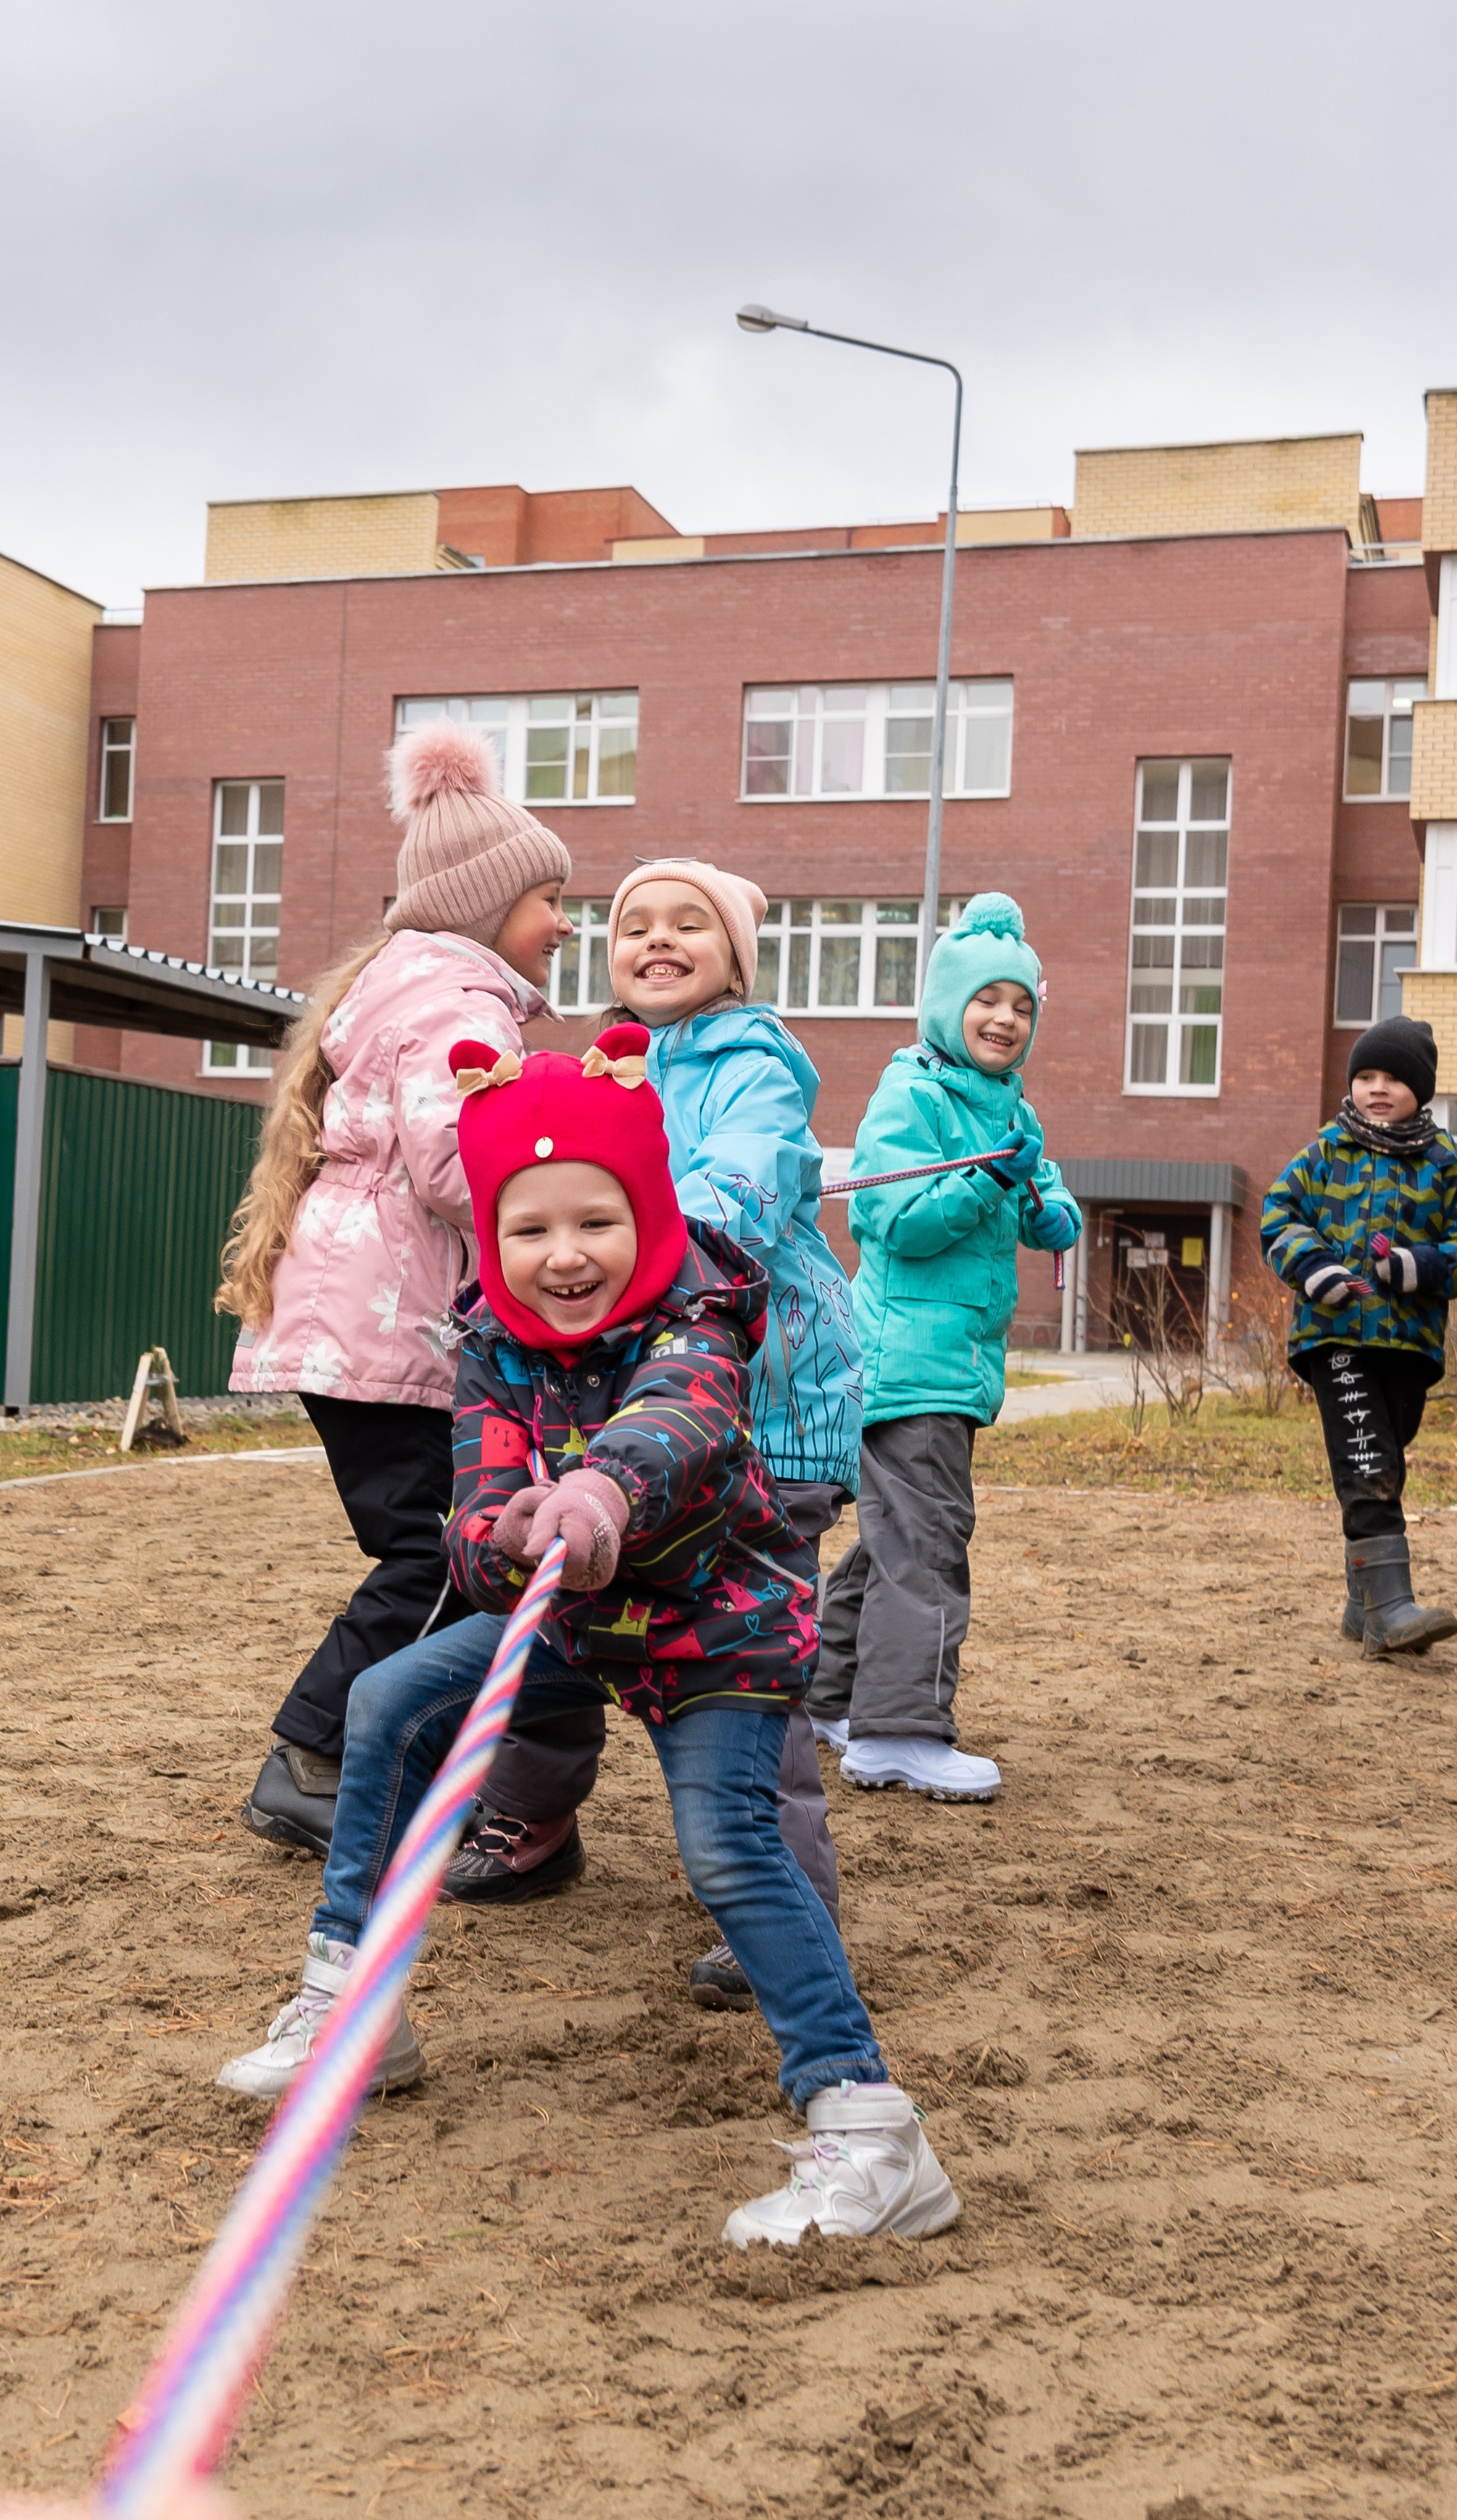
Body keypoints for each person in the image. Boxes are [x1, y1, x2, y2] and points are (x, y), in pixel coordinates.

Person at [215, 1026, 960, 2248]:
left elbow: (677, 1424)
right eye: (530, 1228)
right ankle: (356, 2010)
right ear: (492, 1236)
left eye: (596, 1220)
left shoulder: (696, 1320)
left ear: (648, 1212)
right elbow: (471, 1511)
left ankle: (873, 2131)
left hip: (716, 1629)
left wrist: (602, 1492)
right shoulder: (493, 1349)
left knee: (727, 1846)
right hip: (578, 1620)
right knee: (391, 1699)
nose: (564, 1254)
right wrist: (504, 1532)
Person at [221, 719, 602, 1882]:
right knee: (441, 1556)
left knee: (430, 1549)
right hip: (387, 1325)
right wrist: (576, 1184)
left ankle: (364, 1758)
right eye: (549, 898)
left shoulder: (414, 987)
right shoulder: (458, 1004)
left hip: (361, 1317)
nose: (565, 921)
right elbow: (453, 1166)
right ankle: (313, 1759)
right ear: (487, 905)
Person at [600, 857, 860, 2011]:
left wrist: (627, 1242)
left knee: (753, 1676)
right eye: (635, 925)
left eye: (688, 923)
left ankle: (787, 1903)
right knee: (669, 1651)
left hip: (773, 1416)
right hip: (676, 1411)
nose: (658, 940)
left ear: (737, 959)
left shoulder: (755, 1065)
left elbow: (734, 1199)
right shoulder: (622, 1067)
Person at [809, 893, 1079, 1802]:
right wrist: (985, 1183)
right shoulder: (912, 1094)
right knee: (926, 1541)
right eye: (985, 1001)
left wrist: (1044, 1204)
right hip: (909, 1362)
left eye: (1021, 1006)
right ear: (945, 1005)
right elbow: (892, 1219)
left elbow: (1048, 1194)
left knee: (891, 1538)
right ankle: (899, 1731)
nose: (1004, 1019)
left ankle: (826, 1696)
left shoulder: (1006, 1105)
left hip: (952, 1366)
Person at [1260, 1012, 1457, 1657]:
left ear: (1419, 1090)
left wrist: (1422, 1266)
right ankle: (1392, 1608)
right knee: (1367, 1456)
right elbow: (1278, 1215)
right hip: (1336, 1335)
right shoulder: (1325, 1152)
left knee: (1386, 1455)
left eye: (1393, 1078)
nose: (1377, 1087)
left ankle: (1364, 1606)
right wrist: (1313, 1267)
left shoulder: (1444, 1165)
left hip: (1409, 1342)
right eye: (1366, 1075)